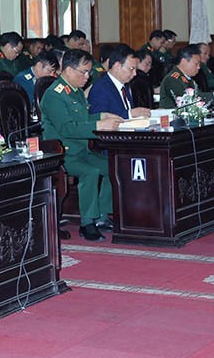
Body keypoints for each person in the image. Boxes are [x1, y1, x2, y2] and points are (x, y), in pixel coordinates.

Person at [39, 49, 121, 242]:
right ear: (68, 70)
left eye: (89, 72)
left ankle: (102, 214)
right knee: (90, 172)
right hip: (62, 153)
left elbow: (81, 119)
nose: (87, 77)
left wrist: (101, 116)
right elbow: (67, 128)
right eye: (83, 72)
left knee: (112, 165)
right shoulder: (55, 95)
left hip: (82, 149)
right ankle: (87, 223)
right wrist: (98, 125)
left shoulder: (74, 90)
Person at [87, 45, 152, 120]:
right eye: (131, 69)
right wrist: (129, 114)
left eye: (135, 69)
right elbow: (100, 117)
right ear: (117, 66)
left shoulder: (125, 86)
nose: (135, 74)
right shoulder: (100, 88)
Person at [159, 44, 214, 109]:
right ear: (184, 61)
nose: (198, 67)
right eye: (196, 64)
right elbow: (188, 100)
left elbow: (198, 95)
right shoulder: (173, 79)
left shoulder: (187, 78)